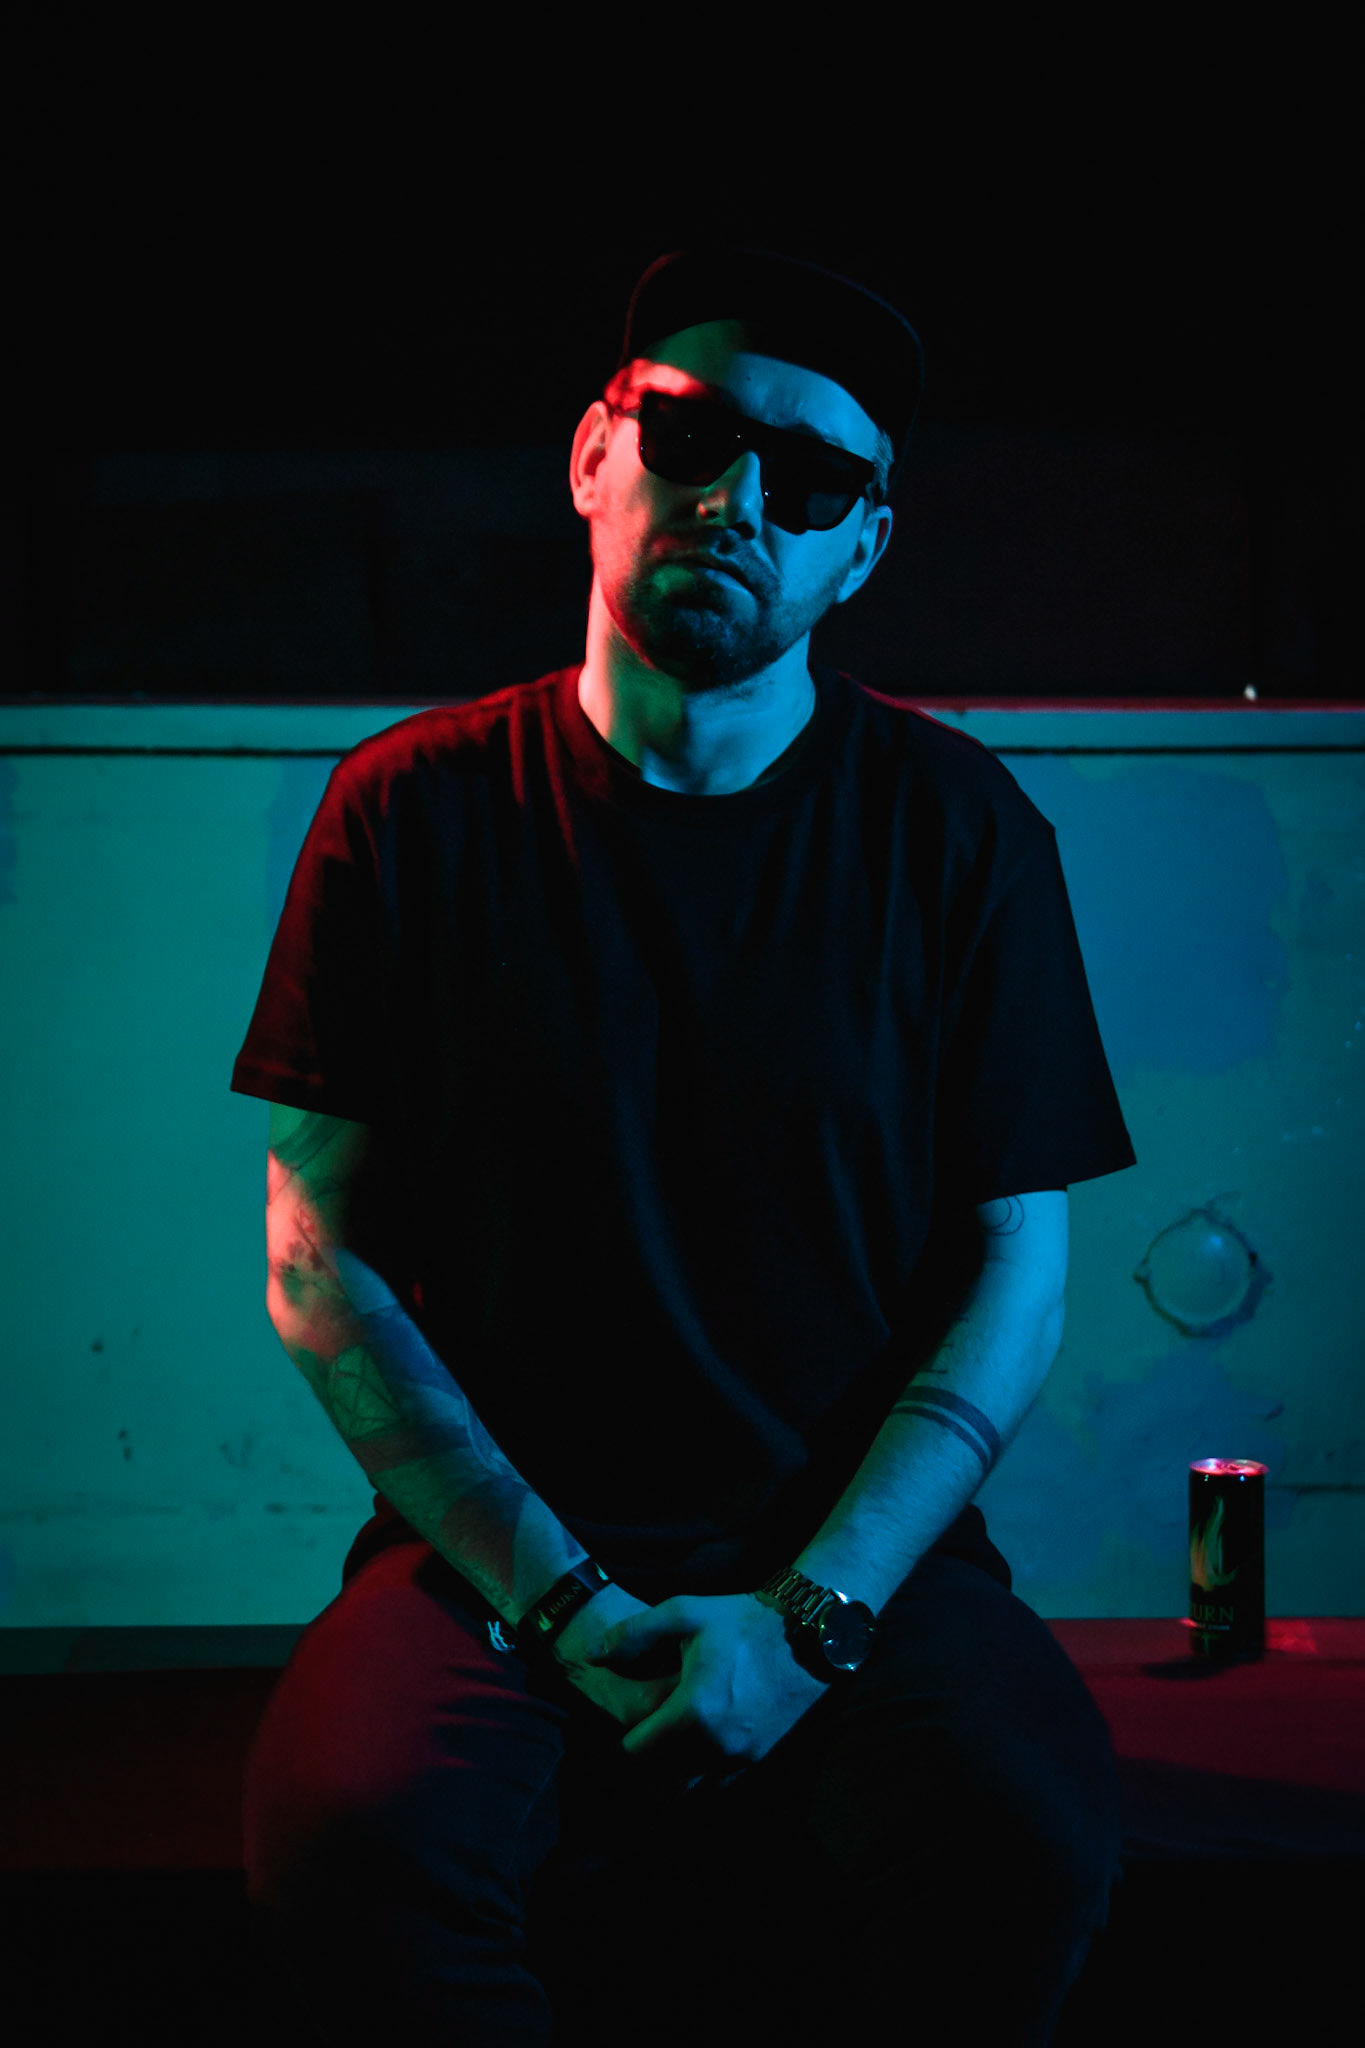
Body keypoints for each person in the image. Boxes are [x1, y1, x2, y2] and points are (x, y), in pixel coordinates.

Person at [231, 246, 1138, 2046]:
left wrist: (810, 1619)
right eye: (692, 435)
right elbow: (317, 1252)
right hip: (490, 1557)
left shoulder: (959, 833)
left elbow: (1013, 1266)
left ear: (858, 550)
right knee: (353, 1850)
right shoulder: (408, 812)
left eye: (808, 480)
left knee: (1019, 1846)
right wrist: (560, 1598)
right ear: (593, 454)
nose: (735, 500)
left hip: (855, 1555)